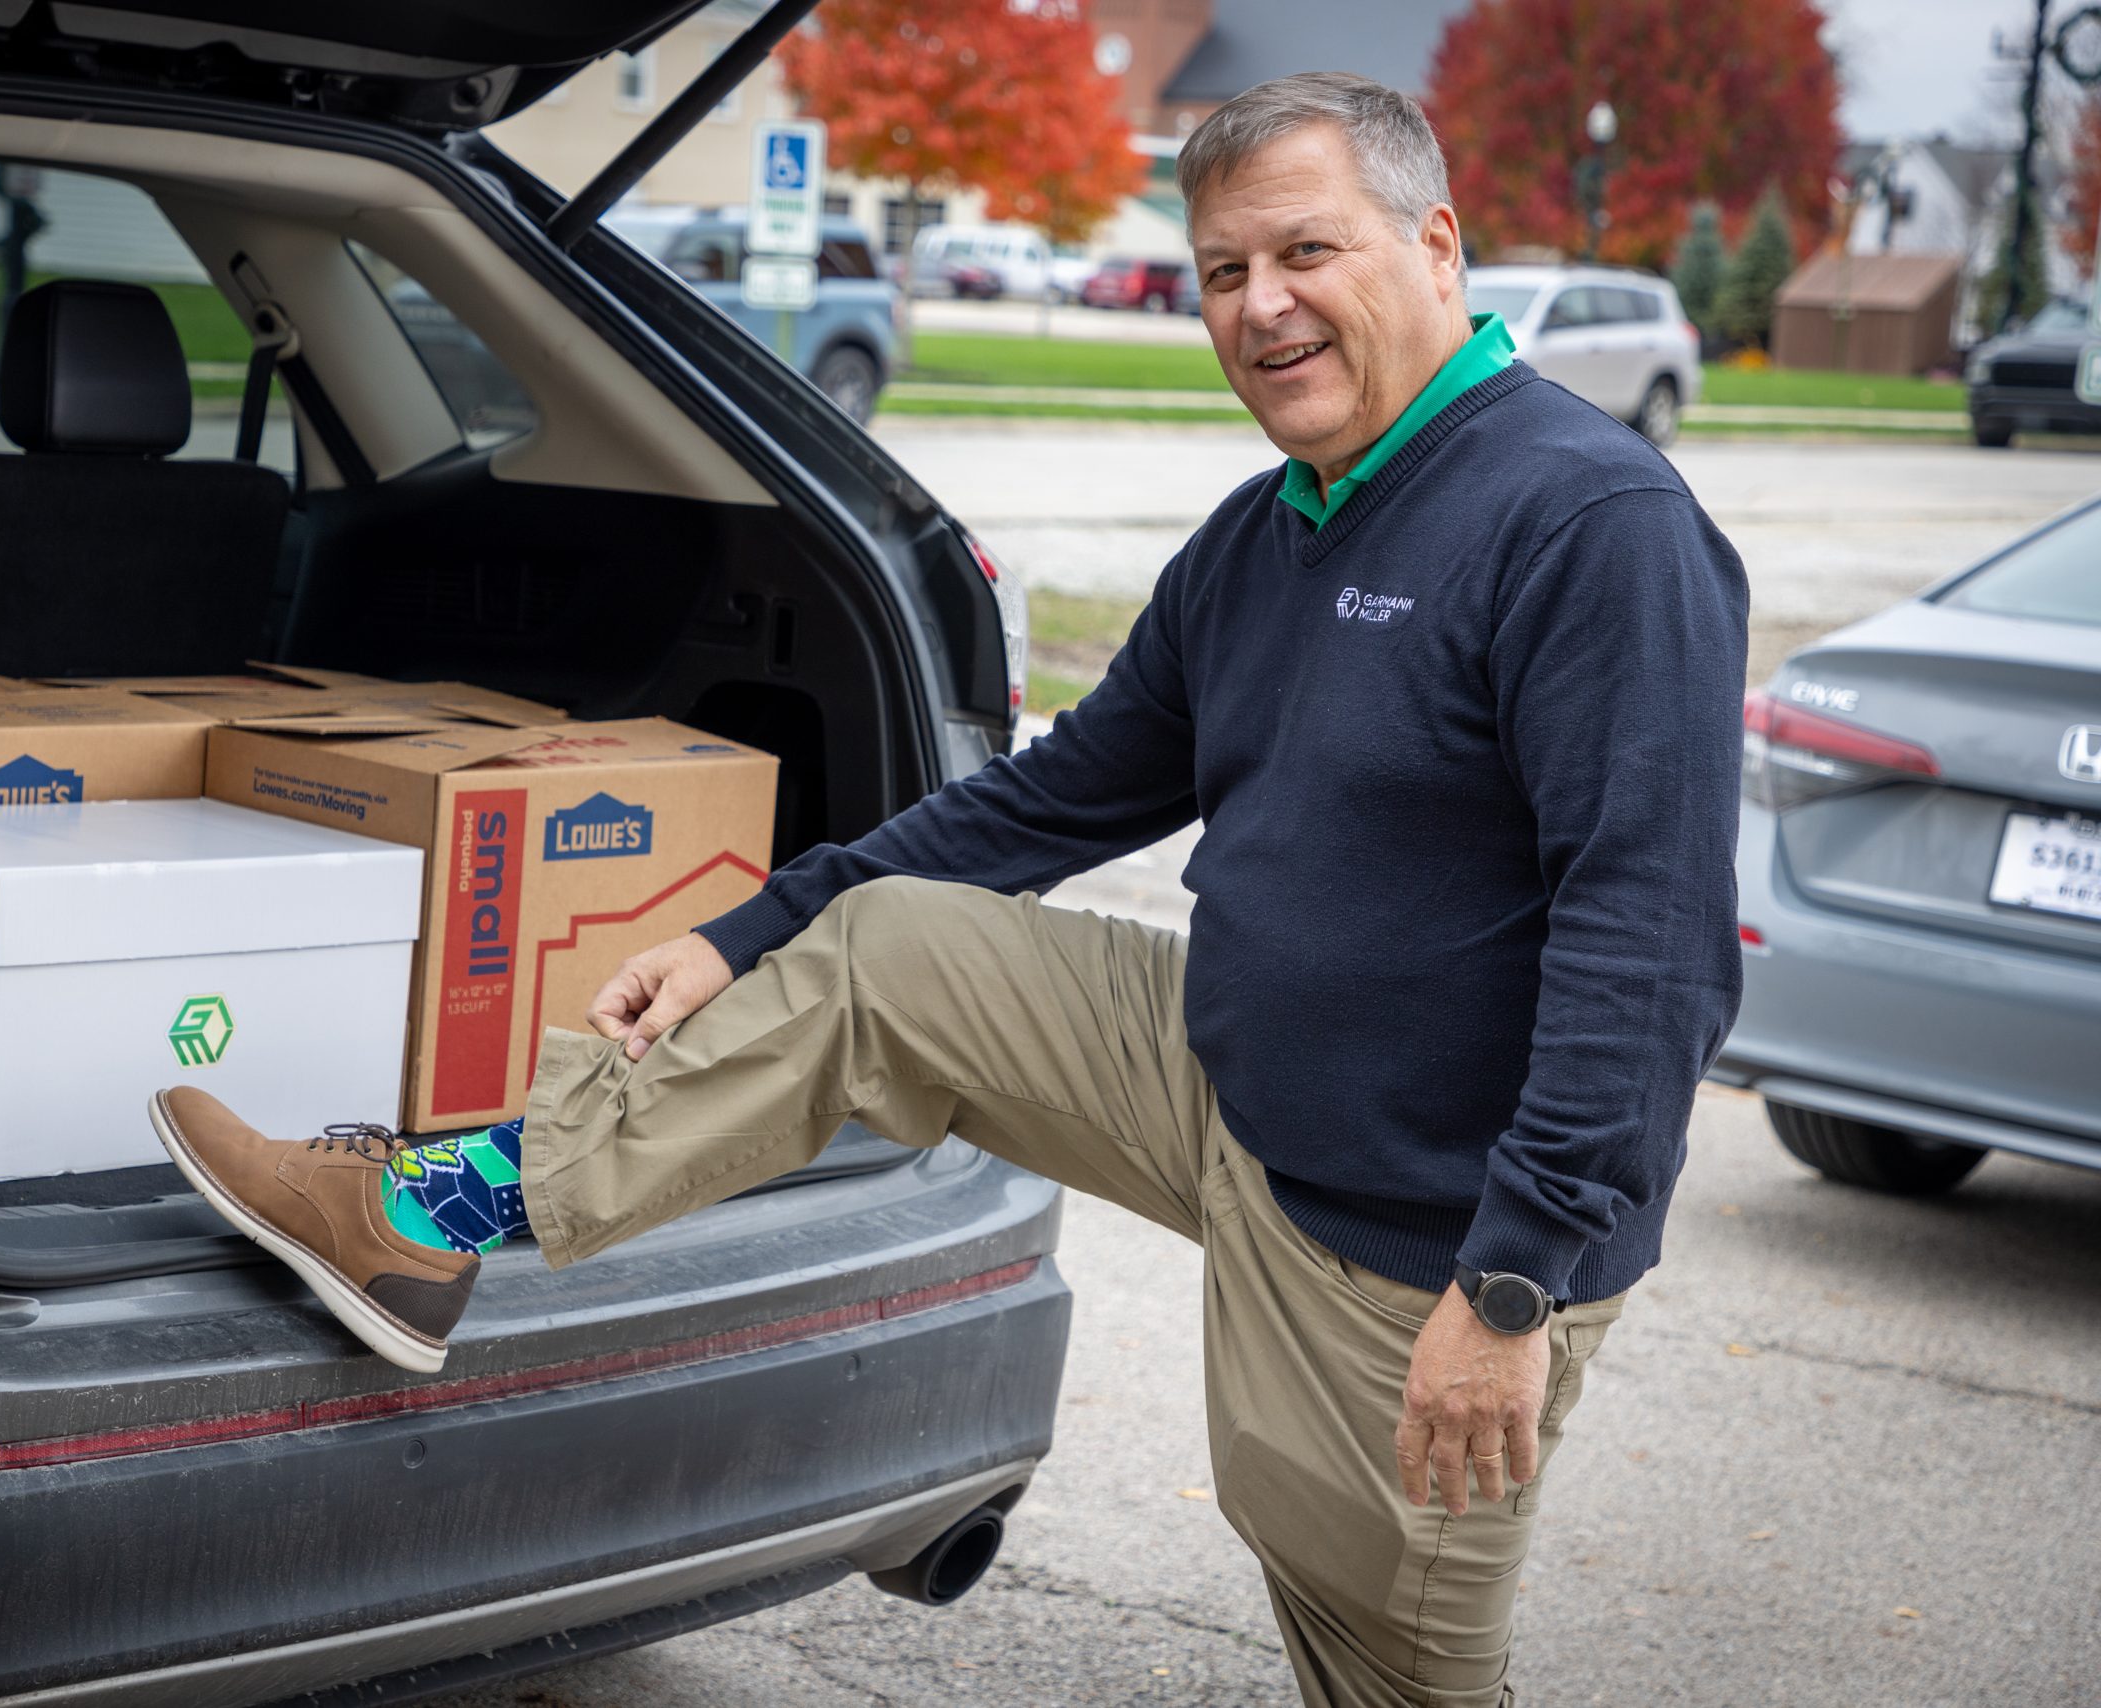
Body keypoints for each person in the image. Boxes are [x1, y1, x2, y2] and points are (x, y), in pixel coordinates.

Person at [153, 70, 1748, 1707]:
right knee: (889, 952)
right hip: (1229, 1076)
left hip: (1426, 1222)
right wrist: (745, 928)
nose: (1259, 309)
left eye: (1305, 253)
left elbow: (1655, 952)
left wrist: (1511, 1284)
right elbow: (1048, 800)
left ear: (1435, 245)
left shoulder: (1590, 524)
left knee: (1379, 1648)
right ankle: (432, 1217)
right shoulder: (1265, 535)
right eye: (1220, 272)